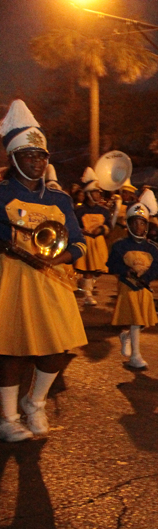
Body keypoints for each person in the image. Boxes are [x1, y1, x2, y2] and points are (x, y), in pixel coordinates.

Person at [0, 100, 88, 443]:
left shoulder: (60, 198)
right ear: (13, 158)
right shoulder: (2, 192)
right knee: (11, 349)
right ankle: (8, 417)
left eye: (41, 157)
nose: (37, 162)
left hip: (51, 278)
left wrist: (61, 258)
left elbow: (79, 242)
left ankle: (34, 401)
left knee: (56, 349)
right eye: (29, 156)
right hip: (11, 277)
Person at [107, 198, 158, 370]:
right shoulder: (120, 245)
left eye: (142, 223)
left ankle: (127, 336)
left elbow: (156, 266)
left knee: (142, 320)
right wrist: (125, 272)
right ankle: (136, 356)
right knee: (135, 320)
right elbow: (111, 265)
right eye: (135, 223)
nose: (139, 227)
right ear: (129, 225)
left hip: (144, 286)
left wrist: (146, 278)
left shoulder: (152, 247)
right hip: (127, 286)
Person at [73, 168, 112, 306]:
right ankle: (87, 294)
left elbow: (108, 225)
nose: (98, 195)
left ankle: (86, 284)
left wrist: (102, 228)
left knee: (100, 269)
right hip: (87, 242)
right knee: (88, 269)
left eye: (99, 192)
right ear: (88, 194)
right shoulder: (79, 210)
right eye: (95, 192)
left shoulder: (104, 210)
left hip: (99, 243)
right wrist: (81, 231)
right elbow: (73, 226)